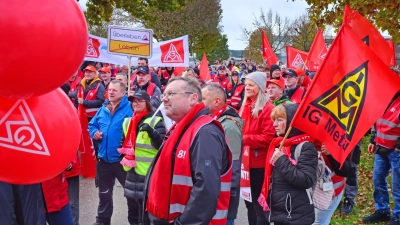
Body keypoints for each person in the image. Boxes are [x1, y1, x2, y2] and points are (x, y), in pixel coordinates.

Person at [143, 76, 232, 225]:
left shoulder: (205, 132)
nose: (164, 99)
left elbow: (206, 189)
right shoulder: (180, 128)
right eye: (164, 94)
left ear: (193, 98)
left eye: (171, 94)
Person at [259, 104, 318, 225]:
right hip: (281, 214)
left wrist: (281, 160)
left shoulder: (306, 147)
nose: (274, 124)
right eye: (274, 120)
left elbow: (306, 180)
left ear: (293, 122)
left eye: (279, 120)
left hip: (296, 217)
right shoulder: (280, 144)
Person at [88, 80, 133, 225]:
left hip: (122, 161)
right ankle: (102, 221)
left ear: (123, 93)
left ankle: (136, 221)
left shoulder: (130, 109)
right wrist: (95, 133)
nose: (111, 92)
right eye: (110, 90)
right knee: (104, 194)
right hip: (104, 160)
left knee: (131, 195)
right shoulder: (103, 108)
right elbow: (92, 124)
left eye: (115, 90)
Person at [120, 91, 166, 225]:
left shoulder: (155, 121)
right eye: (134, 101)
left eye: (139, 101)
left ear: (147, 103)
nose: (136, 103)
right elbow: (123, 144)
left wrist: (152, 133)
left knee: (144, 215)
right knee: (132, 213)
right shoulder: (128, 121)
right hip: (131, 172)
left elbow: (162, 146)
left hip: (147, 174)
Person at [202, 83, 243, 225]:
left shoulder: (229, 126)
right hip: (215, 194)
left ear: (217, 101)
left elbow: (234, 167)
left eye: (203, 99)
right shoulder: (215, 120)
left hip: (224, 198)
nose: (200, 102)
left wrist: (228, 198)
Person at [239, 72, 275, 225]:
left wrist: (244, 139)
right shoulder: (246, 104)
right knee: (249, 204)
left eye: (251, 85)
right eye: (246, 84)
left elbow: (269, 137)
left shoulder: (267, 108)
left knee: (258, 206)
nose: (247, 88)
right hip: (246, 163)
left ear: (259, 87)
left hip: (258, 165)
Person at [363, 92, 400, 225]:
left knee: (398, 186)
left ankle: (398, 216)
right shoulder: (383, 98)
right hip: (381, 147)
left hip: (396, 150)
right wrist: (373, 140)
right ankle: (382, 210)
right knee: (377, 179)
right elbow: (377, 121)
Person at [312, 142, 351, 225]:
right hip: (308, 191)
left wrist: (331, 155)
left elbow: (345, 171)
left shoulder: (339, 138)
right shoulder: (305, 134)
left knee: (318, 222)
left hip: (329, 193)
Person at [340, 143, 361, 215]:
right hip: (337, 139)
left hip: (353, 142)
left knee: (351, 171)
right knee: (335, 166)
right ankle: (335, 197)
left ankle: (349, 200)